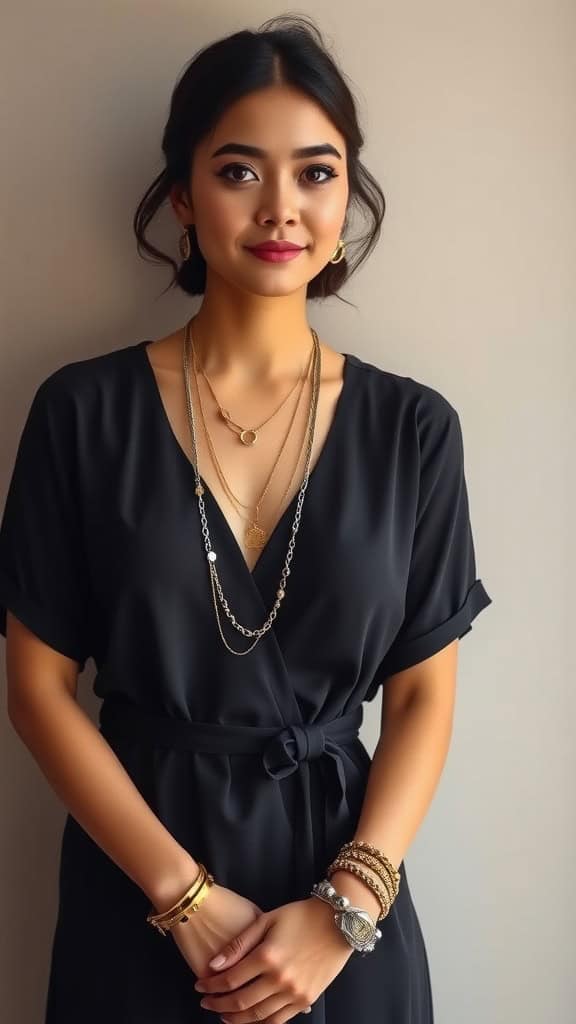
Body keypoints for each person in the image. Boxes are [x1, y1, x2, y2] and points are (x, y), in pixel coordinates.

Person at [0, 13, 492, 1024]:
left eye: (317, 173)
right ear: (182, 195)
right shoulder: (81, 413)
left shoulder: (414, 430)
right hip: (136, 894)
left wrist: (348, 905)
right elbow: (37, 688)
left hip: (344, 910)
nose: (281, 208)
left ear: (349, 196)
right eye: (238, 172)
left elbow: (422, 703)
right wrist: (182, 898)